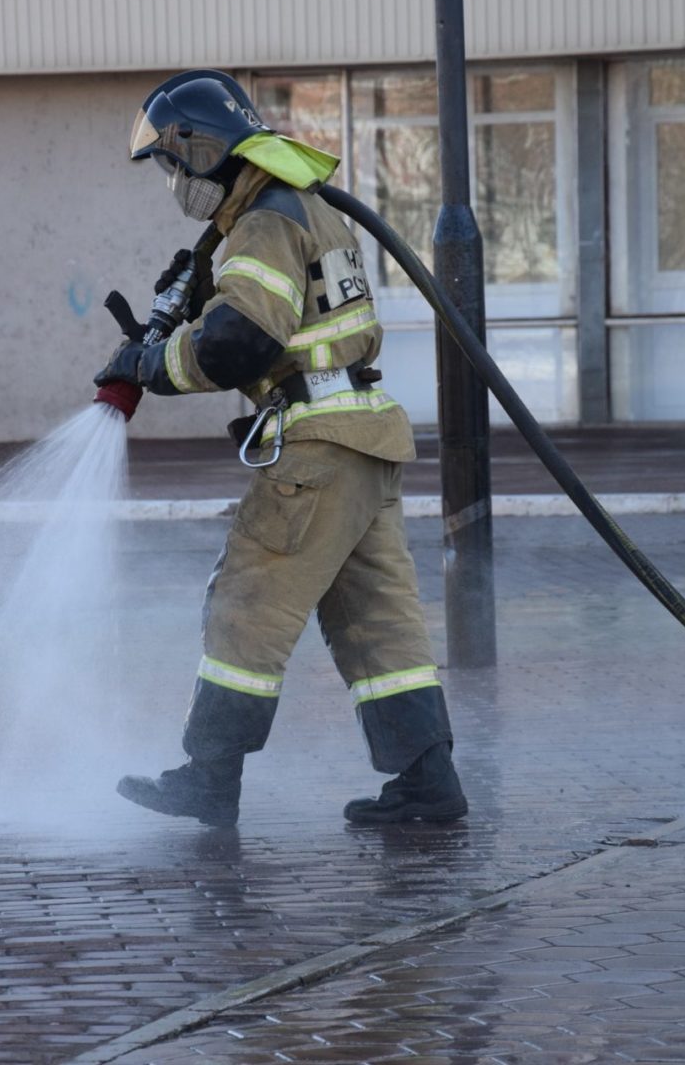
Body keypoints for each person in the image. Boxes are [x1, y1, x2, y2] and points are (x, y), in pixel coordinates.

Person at [95, 70, 466, 828]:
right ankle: (428, 784)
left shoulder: (262, 221)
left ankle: (209, 776)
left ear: (201, 149)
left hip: (317, 448)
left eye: (173, 161)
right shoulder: (303, 206)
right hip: (363, 434)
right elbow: (285, 315)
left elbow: (238, 344)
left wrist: (147, 364)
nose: (172, 179)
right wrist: (197, 293)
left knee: (246, 605)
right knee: (377, 620)